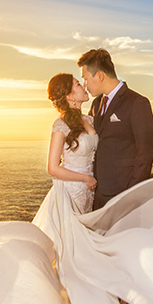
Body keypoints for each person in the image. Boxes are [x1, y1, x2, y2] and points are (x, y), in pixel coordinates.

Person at [77, 47, 153, 304]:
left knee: (130, 266)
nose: (84, 83)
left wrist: (131, 196)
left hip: (127, 199)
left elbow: (146, 150)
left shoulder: (137, 103)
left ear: (99, 74)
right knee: (104, 263)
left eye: (85, 77)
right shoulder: (96, 105)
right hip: (99, 199)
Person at [45, 73, 99, 213]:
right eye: (78, 84)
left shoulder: (90, 120)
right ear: (70, 96)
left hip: (89, 191)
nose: (84, 86)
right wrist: (86, 178)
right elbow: (53, 168)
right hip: (72, 191)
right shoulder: (61, 125)